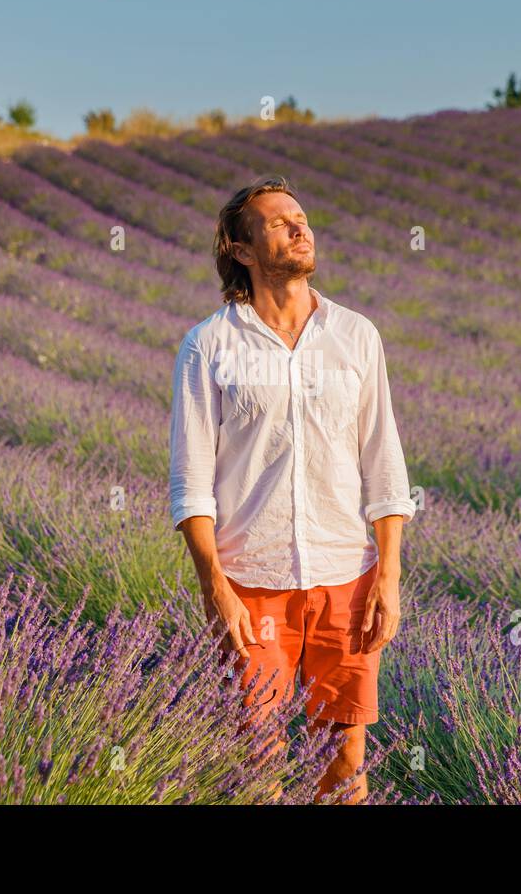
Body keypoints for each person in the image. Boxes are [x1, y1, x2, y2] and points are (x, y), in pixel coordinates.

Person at [169, 174, 417, 804]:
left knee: (344, 762)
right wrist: (216, 591)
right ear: (242, 249)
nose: (300, 228)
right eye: (279, 222)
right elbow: (191, 485)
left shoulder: (356, 335)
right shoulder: (208, 346)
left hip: (346, 578)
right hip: (252, 581)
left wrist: (388, 577)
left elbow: (384, 463)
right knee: (256, 759)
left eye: (301, 217)